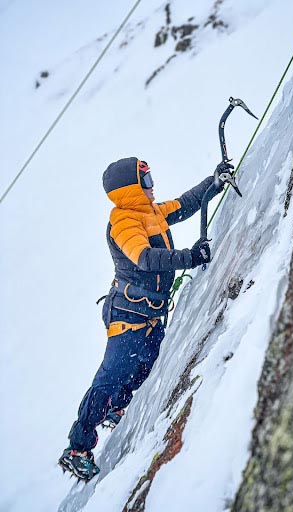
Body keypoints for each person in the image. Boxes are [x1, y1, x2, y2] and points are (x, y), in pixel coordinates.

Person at [58, 157, 227, 480]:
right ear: (131, 188)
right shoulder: (123, 222)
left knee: (146, 365)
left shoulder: (149, 213)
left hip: (148, 313)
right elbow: (146, 259)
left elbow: (184, 204)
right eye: (145, 181)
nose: (152, 187)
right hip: (127, 316)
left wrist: (213, 183)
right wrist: (190, 257)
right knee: (110, 377)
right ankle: (77, 447)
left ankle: (118, 408)